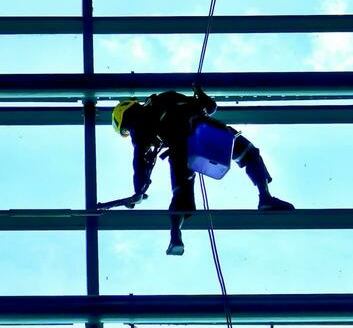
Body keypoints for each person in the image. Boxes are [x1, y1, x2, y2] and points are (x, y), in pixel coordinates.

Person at [105, 88, 293, 256]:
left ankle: (175, 234)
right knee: (248, 154)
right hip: (208, 131)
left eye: (125, 129)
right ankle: (265, 197)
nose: (130, 131)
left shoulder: (140, 122)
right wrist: (202, 96)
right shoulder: (166, 98)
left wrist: (139, 188)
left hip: (183, 147)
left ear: (123, 115)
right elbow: (209, 107)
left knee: (181, 193)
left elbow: (140, 159)